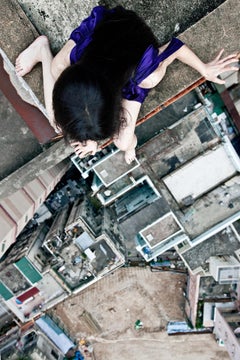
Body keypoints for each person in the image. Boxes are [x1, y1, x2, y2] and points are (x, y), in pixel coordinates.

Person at [15, 5, 238, 164]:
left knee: (121, 142)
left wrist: (204, 68)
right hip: (98, 43)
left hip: (127, 53)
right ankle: (42, 50)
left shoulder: (146, 73)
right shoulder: (69, 62)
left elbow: (175, 48)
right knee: (59, 117)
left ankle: (43, 51)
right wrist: (92, 139)